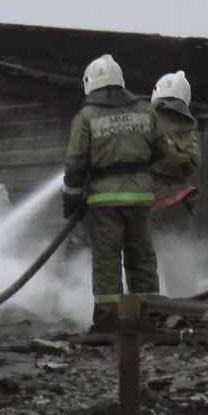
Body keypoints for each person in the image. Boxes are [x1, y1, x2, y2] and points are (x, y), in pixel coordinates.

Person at [63, 55, 166, 330]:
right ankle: (149, 315)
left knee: (107, 259)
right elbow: (162, 149)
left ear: (90, 84)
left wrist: (71, 200)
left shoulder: (85, 117)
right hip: (141, 196)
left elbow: (75, 163)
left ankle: (110, 319)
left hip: (104, 199)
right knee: (141, 256)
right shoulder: (145, 110)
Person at [148, 71, 201, 296]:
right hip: (181, 202)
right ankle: (186, 307)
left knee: (145, 259)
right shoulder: (187, 125)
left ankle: (146, 306)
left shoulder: (147, 118)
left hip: (151, 201)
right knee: (180, 258)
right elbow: (193, 161)